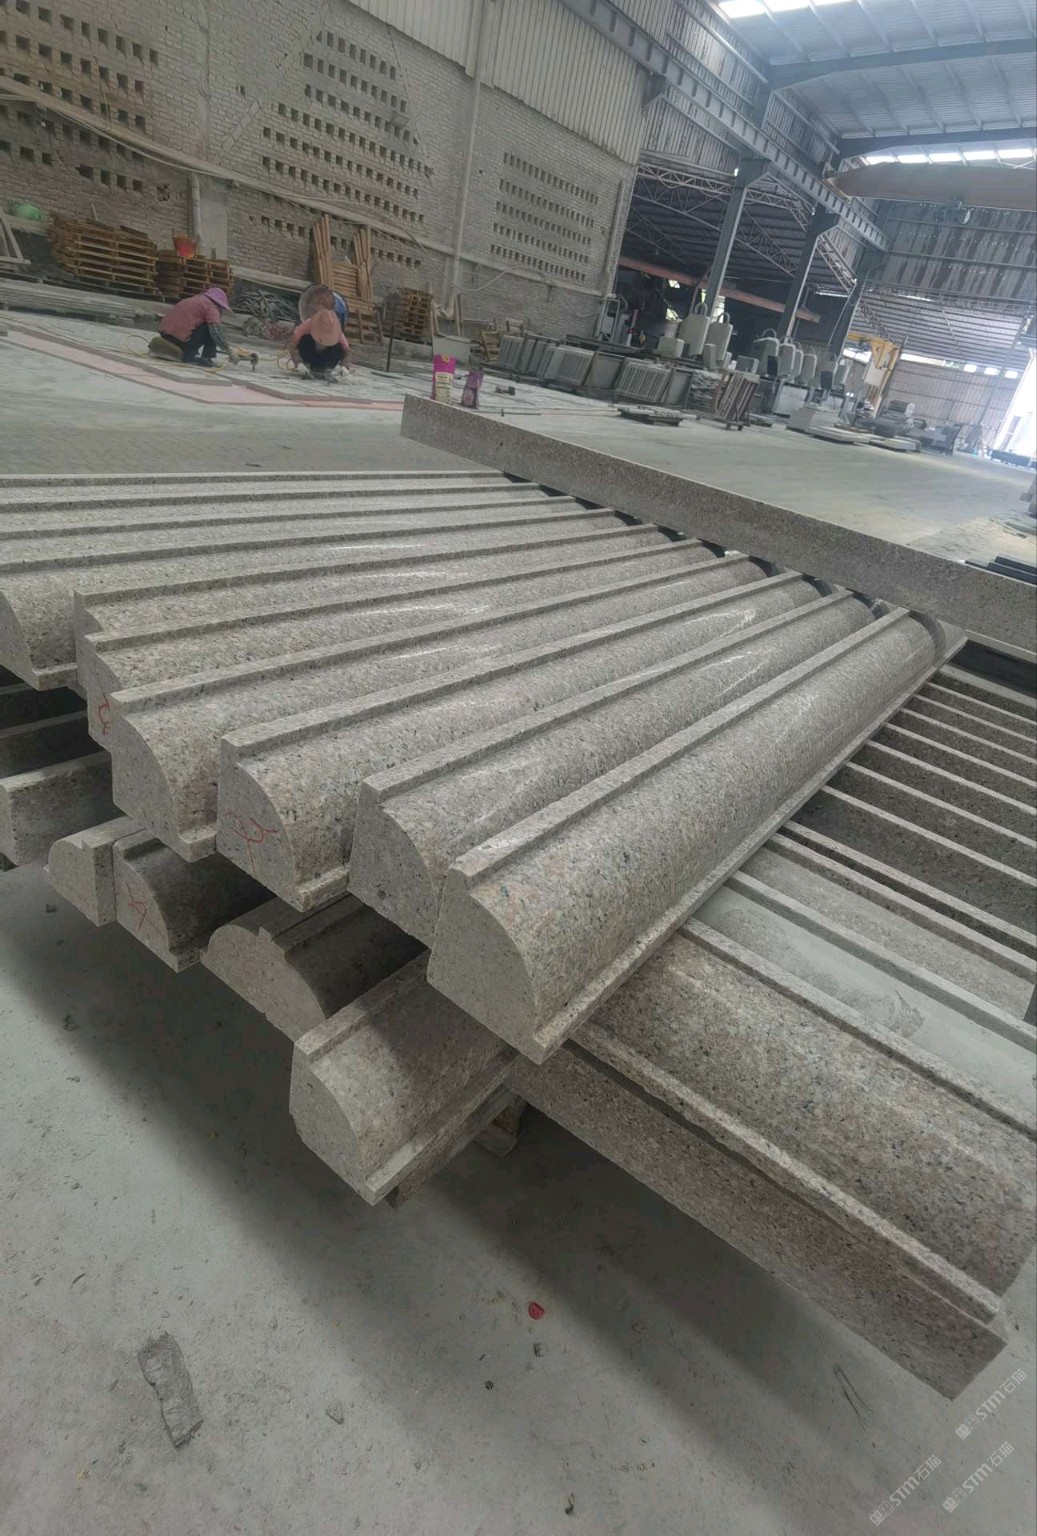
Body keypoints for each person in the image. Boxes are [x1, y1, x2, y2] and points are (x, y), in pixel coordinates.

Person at [150, 286, 231, 367]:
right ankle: (203, 358)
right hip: (180, 340)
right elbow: (216, 332)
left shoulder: (194, 299)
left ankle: (184, 351)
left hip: (165, 335)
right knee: (209, 328)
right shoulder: (212, 307)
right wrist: (228, 350)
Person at [289, 305, 350, 379]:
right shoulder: (307, 325)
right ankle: (307, 366)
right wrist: (299, 363)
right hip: (309, 356)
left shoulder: (337, 332)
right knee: (305, 339)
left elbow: (347, 351)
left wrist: (345, 366)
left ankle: (326, 369)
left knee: (338, 347)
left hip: (325, 359)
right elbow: (292, 345)